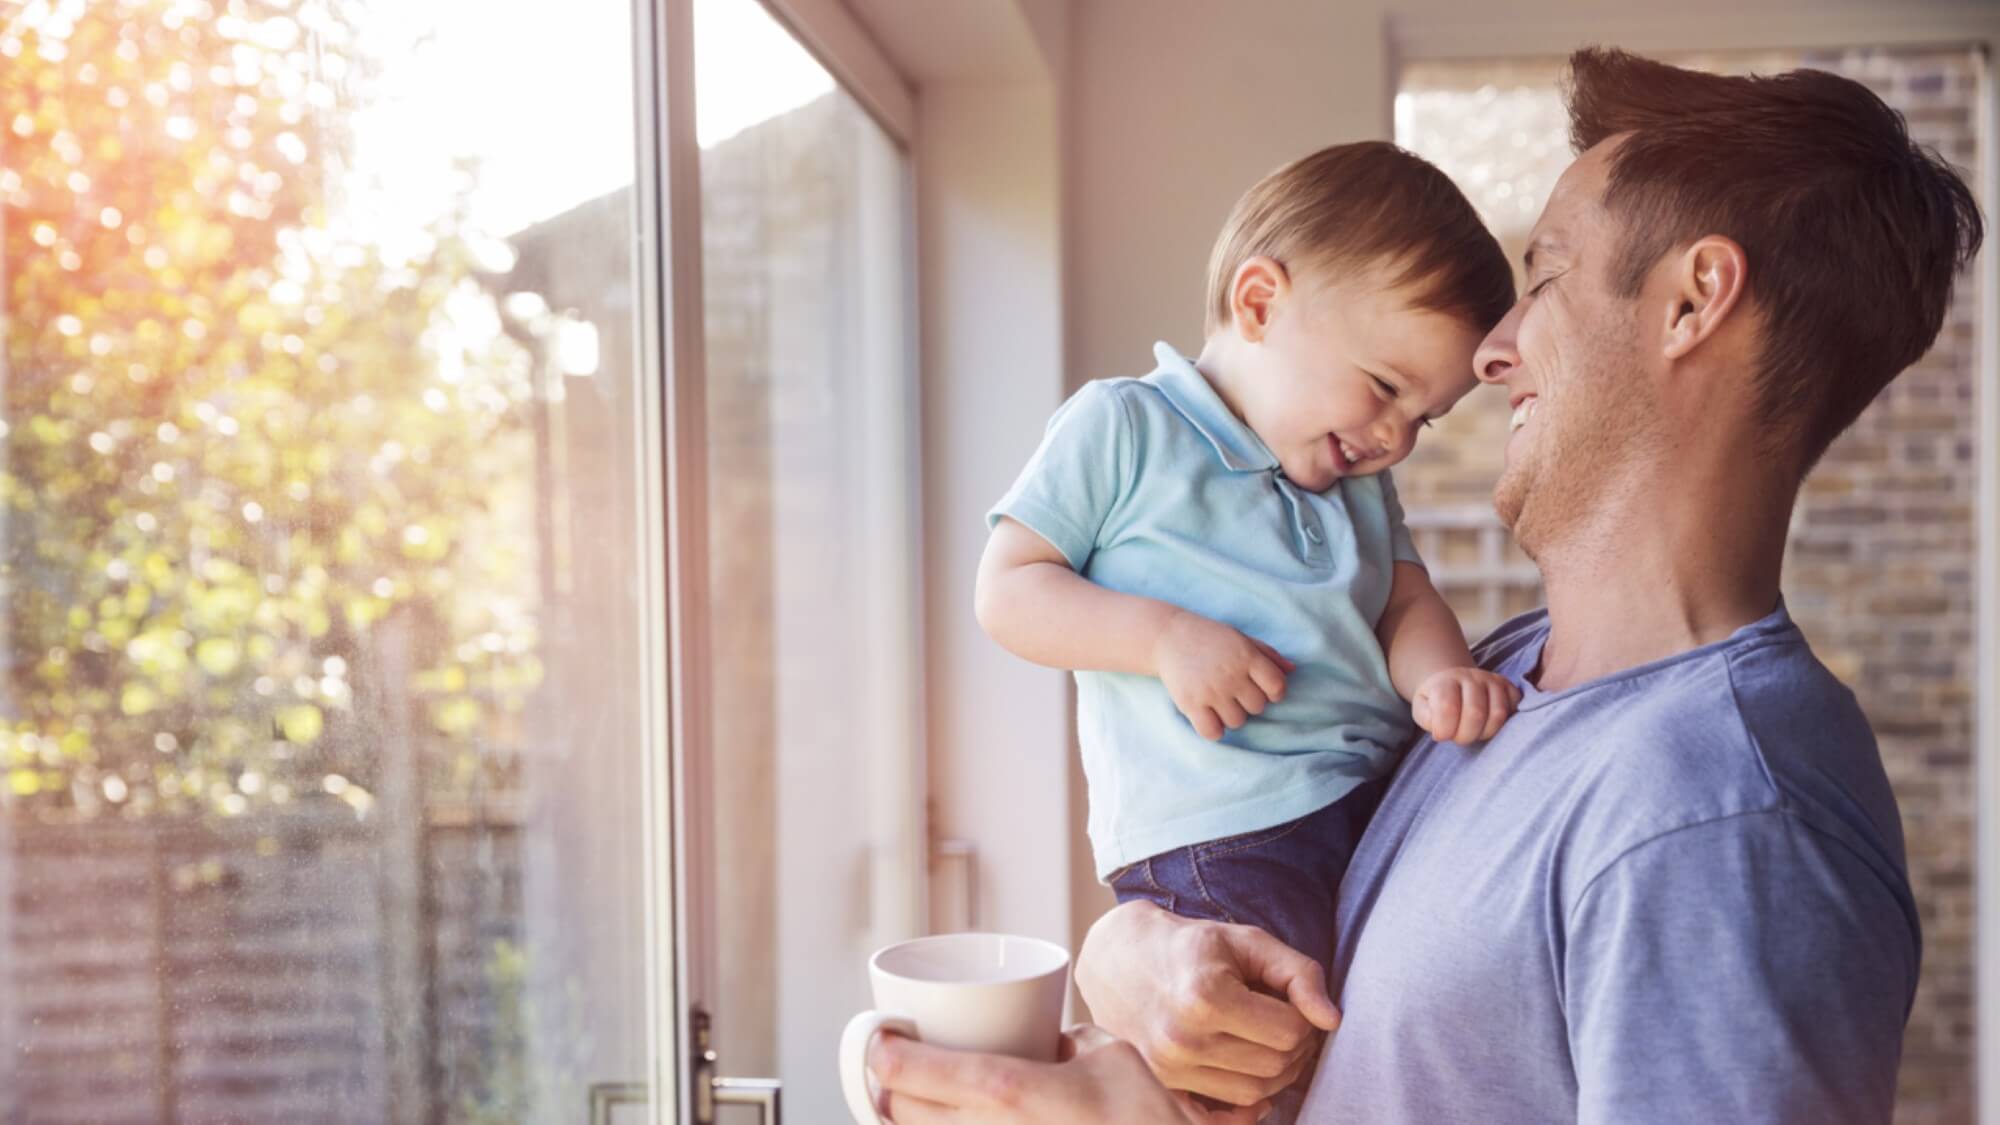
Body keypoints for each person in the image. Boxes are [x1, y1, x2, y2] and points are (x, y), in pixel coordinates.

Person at [868, 46, 1983, 1124]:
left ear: (1691, 304)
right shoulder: (1494, 681)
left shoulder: (1722, 827)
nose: (1491, 349)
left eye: (1542, 274)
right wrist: (1137, 955)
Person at [975, 149, 1519, 1113]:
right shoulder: (1126, 428)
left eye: (1424, 418)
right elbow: (1010, 591)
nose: (1395, 435)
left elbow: (1405, 600)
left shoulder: (1359, 482)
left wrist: (1441, 676)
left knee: (1363, 1039)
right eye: (1385, 386)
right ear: (1260, 302)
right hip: (1225, 833)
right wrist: (1161, 638)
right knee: (1257, 1048)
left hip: (1369, 808)